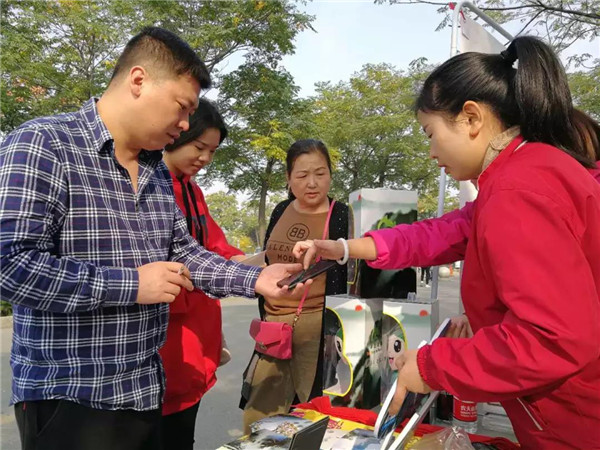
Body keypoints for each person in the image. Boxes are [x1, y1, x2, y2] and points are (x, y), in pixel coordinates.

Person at [0, 27, 304, 450]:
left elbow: (185, 252)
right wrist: (132, 284)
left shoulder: (156, 169)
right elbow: (10, 264)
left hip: (144, 392)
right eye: (182, 107)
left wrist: (256, 279)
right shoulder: (44, 144)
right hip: (72, 398)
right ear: (139, 80)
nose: (184, 124)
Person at [294, 37, 600, 449]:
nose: (432, 151)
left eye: (431, 133)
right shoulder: (525, 174)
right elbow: (439, 233)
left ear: (471, 118)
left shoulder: (518, 191)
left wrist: (433, 366)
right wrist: (345, 249)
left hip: (578, 420)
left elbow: (550, 337)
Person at [240, 139, 350, 433]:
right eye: (302, 175)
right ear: (288, 178)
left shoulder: (342, 214)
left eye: (320, 173)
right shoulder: (281, 209)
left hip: (318, 329)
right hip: (273, 326)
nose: (312, 183)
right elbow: (268, 259)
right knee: (264, 408)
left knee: (311, 410)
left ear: (330, 175)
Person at [159, 99, 245, 450]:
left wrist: (255, 263)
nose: (205, 158)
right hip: (168, 336)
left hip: (197, 332)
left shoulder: (193, 191)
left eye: (212, 151)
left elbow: (214, 246)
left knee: (182, 431)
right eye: (199, 147)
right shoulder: (150, 185)